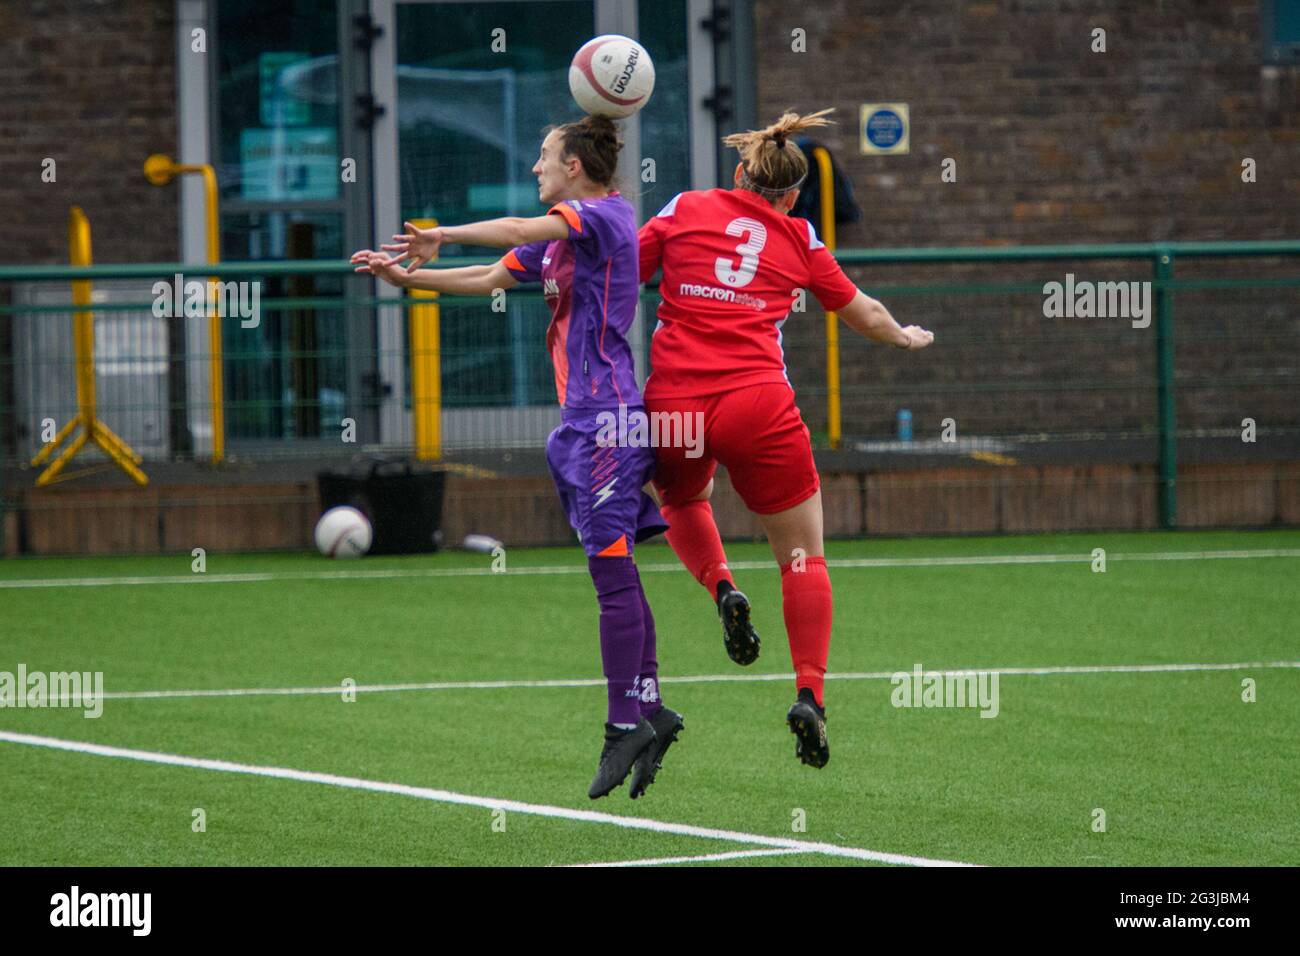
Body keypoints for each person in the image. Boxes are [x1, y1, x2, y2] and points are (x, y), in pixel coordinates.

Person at [350, 115, 682, 800]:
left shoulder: (604, 217)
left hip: (609, 425)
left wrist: (442, 231)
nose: (535, 168)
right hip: (587, 427)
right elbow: (492, 276)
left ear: (575, 168)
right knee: (614, 566)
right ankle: (648, 707)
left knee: (610, 571)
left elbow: (518, 232)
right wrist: (409, 278)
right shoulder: (567, 240)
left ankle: (625, 724)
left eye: (543, 156)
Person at [637, 108, 934, 768]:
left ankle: (721, 588)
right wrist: (903, 336)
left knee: (684, 502)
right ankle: (810, 695)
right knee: (804, 558)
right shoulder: (800, 238)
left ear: (740, 172)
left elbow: (623, 271)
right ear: (793, 194)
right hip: (757, 403)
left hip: (677, 402)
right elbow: (863, 311)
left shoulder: (685, 207)